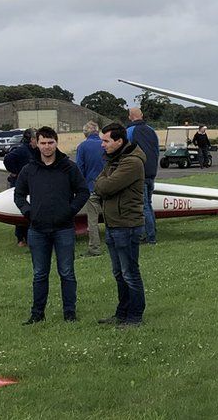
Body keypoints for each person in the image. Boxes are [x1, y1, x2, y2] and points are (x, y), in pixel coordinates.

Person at [13, 126, 90, 324]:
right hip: (37, 230)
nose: (47, 147)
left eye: (50, 142)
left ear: (56, 143)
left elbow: (83, 191)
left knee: (66, 272)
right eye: (43, 143)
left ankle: (69, 313)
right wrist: (28, 211)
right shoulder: (29, 169)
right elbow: (19, 194)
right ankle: (37, 314)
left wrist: (70, 210)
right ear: (36, 144)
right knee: (39, 274)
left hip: (63, 228)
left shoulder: (69, 167)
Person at [94, 123, 147, 328]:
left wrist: (103, 184)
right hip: (113, 224)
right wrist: (103, 183)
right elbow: (98, 183)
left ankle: (135, 316)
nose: (102, 145)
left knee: (130, 273)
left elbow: (105, 186)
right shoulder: (114, 160)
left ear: (119, 141)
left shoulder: (132, 162)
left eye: (106, 141)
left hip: (127, 225)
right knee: (119, 273)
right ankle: (122, 312)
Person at [127, 107, 159, 244]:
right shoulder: (152, 131)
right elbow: (157, 150)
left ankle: (150, 237)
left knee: (143, 206)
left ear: (130, 117)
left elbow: (124, 150)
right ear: (142, 115)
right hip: (152, 172)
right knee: (149, 204)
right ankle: (152, 232)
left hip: (139, 174)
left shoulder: (129, 131)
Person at [75, 121, 106, 257]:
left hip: (91, 187)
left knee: (92, 221)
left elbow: (79, 168)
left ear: (85, 133)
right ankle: (115, 243)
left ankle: (94, 248)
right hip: (108, 187)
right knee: (110, 218)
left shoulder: (82, 147)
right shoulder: (105, 144)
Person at [3, 128, 37, 247]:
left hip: (31, 184)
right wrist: (15, 172)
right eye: (36, 139)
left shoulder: (35, 150)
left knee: (30, 209)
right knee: (21, 210)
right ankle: (20, 238)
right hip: (19, 183)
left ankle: (29, 236)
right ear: (31, 139)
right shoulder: (22, 150)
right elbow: (8, 159)